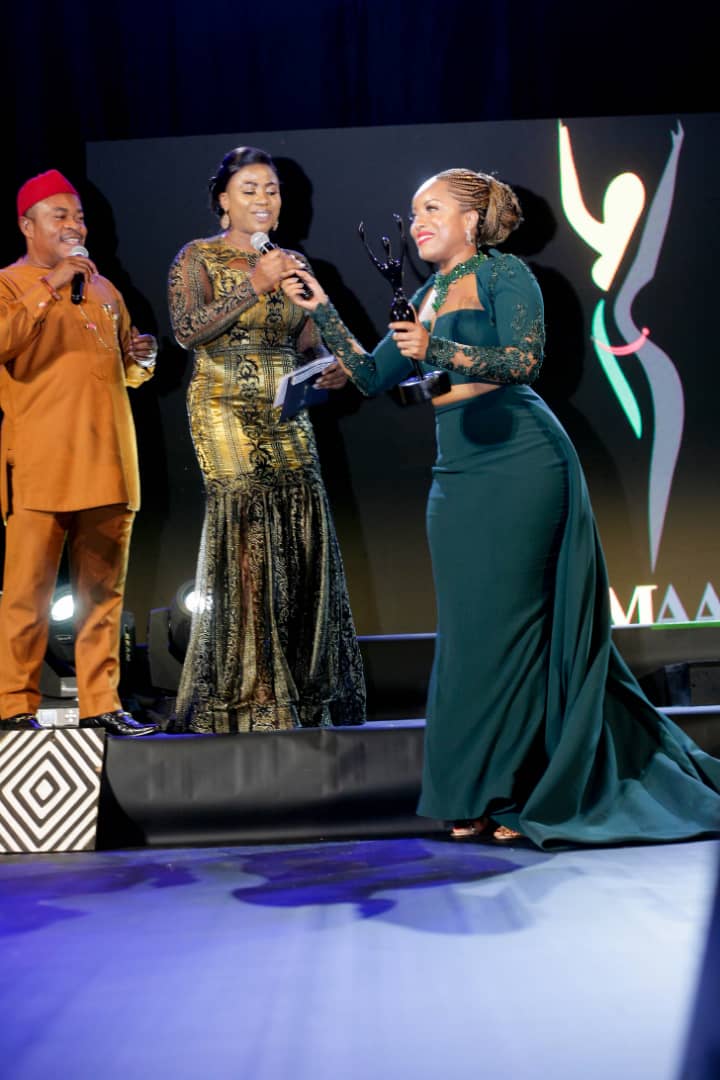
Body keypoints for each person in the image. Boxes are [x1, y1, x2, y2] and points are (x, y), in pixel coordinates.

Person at [282, 167, 720, 849]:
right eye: (414, 211)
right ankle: (477, 790)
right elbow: (371, 376)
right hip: (457, 474)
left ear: (471, 219)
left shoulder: (505, 274)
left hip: (522, 460)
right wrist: (322, 308)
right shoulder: (425, 293)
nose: (418, 222)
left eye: (432, 209)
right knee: (470, 637)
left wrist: (437, 348)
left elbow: (523, 360)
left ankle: (521, 790)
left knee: (513, 633)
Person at [167, 147, 365, 733]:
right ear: (223, 201)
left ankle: (304, 692)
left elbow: (307, 335)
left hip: (286, 409)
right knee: (249, 537)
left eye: (271, 190)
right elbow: (187, 330)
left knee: (301, 534)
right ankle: (250, 696)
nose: (263, 199)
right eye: (249, 189)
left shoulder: (293, 262)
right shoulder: (196, 257)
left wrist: (329, 364)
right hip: (223, 407)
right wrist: (255, 283)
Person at [0, 169, 158, 737]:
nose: (75, 225)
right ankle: (13, 705)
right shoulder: (9, 284)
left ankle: (101, 703)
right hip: (40, 465)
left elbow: (127, 371)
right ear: (28, 226)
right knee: (27, 596)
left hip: (109, 464)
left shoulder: (105, 289)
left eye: (80, 217)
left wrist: (143, 357)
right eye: (60, 216)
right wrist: (51, 284)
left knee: (102, 597)